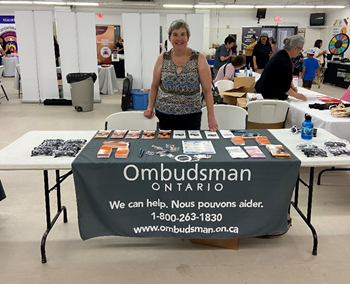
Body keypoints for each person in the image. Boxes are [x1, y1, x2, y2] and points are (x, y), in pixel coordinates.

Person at [143, 19, 218, 131]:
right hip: (164, 115)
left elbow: (207, 90)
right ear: (169, 38)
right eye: (175, 35)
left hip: (191, 116)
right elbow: (154, 86)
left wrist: (211, 117)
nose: (179, 38)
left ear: (188, 38)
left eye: (183, 34)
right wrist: (150, 107)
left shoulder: (199, 58)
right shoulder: (162, 58)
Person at [255, 34, 307, 101]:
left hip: (263, 90)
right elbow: (284, 87)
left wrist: (292, 86)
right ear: (295, 48)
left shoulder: (281, 54)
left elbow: (285, 77)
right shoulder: (284, 62)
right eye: (301, 49)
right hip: (267, 95)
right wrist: (297, 96)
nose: (300, 52)